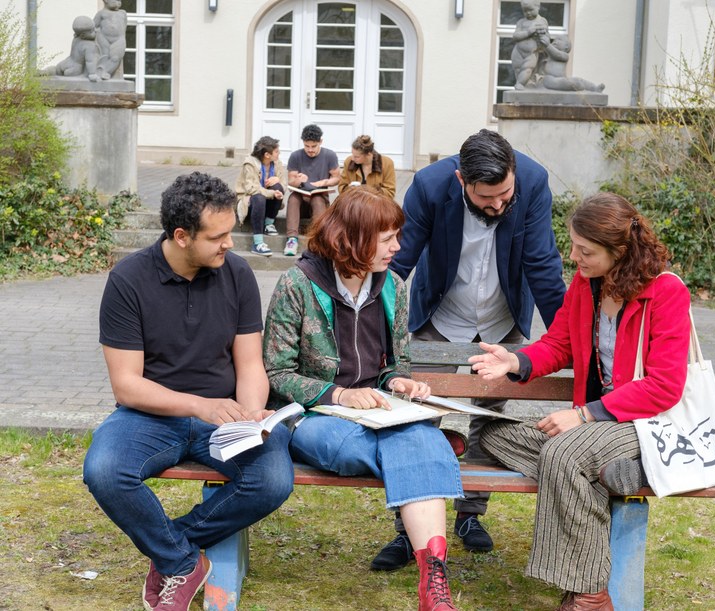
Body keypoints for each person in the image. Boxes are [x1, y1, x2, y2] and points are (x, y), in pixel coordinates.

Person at [469, 192, 691, 610]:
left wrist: (585, 414)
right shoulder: (587, 285)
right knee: (495, 437)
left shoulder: (666, 293)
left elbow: (664, 386)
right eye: (573, 246)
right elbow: (559, 344)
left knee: (565, 454)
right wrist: (514, 359)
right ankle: (609, 473)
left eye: (585, 250)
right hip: (594, 430)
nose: (574, 257)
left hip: (640, 423)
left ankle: (589, 594)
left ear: (620, 251)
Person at [83, 172, 294, 611]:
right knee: (105, 471)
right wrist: (202, 405)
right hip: (149, 416)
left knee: (272, 480)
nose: (229, 244)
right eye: (217, 237)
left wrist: (253, 412)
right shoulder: (128, 280)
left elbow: (251, 363)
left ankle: (172, 545)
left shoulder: (236, 273)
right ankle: (181, 560)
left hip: (228, 416)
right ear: (181, 236)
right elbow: (127, 385)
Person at [263, 187, 463, 611]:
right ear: (351, 238)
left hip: (380, 412)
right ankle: (435, 451)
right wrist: (338, 393)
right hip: (315, 417)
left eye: (397, 236)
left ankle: (433, 580)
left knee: (410, 438)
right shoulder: (297, 284)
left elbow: (395, 363)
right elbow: (277, 372)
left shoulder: (392, 286)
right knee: (414, 445)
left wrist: (400, 384)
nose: (398, 247)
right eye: (387, 238)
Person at [374, 129, 566, 570]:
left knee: (487, 416)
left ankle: (471, 514)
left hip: (502, 321)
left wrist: (569, 338)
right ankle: (409, 529)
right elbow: (399, 261)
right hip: (439, 314)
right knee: (416, 419)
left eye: (505, 195)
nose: (498, 206)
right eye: (486, 198)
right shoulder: (428, 186)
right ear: (461, 180)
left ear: (515, 174)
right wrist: (375, 323)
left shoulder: (534, 181)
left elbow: (541, 264)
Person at [284, 124, 341, 256]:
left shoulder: (330, 155)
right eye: (306, 146)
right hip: (301, 200)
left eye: (313, 146)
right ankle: (291, 240)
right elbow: (291, 181)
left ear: (320, 141)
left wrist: (324, 182)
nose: (310, 150)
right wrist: (298, 180)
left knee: (317, 199)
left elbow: (337, 178)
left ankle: (318, 239)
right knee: (293, 198)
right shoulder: (295, 156)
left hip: (319, 198)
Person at [234, 136, 286, 256]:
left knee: (278, 187)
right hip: (251, 201)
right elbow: (252, 189)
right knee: (259, 197)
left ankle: (268, 224)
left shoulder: (277, 163)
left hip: (267, 201)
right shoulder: (250, 164)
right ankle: (257, 243)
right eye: (277, 152)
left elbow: (284, 184)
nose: (279, 154)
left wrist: (277, 180)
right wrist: (272, 193)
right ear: (267, 155)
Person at [338, 134, 397, 199]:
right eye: (352, 154)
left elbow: (390, 192)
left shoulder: (387, 163)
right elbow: (341, 187)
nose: (352, 158)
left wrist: (367, 191)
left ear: (369, 154)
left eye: (357, 157)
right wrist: (349, 189)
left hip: (377, 205)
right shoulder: (349, 162)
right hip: (354, 204)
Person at [542, 35, 606, 93]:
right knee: (573, 82)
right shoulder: (549, 54)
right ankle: (577, 84)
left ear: (566, 47)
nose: (555, 41)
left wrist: (548, 46)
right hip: (550, 79)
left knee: (579, 80)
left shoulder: (564, 55)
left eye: (559, 39)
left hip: (560, 79)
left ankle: (595, 88)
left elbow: (557, 55)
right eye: (554, 40)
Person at [511, 0, 550, 89]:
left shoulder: (542, 21)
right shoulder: (521, 22)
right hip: (518, 51)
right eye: (525, 11)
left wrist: (543, 37)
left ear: (538, 7)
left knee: (528, 68)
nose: (528, 13)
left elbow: (547, 37)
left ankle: (520, 83)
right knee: (517, 68)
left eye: (531, 10)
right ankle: (520, 83)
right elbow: (515, 36)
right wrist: (528, 32)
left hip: (532, 52)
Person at [50, 16, 100, 81]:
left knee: (56, 69)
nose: (95, 31)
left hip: (67, 61)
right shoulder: (89, 45)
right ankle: (66, 74)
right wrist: (92, 74)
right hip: (76, 66)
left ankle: (45, 72)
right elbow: (90, 61)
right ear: (83, 35)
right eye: (92, 31)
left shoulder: (76, 39)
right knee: (67, 73)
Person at [93, 0, 127, 80]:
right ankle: (99, 72)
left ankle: (105, 71)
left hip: (119, 39)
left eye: (119, 0)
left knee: (115, 58)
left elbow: (124, 27)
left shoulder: (122, 13)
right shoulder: (101, 13)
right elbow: (93, 26)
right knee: (104, 56)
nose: (118, 2)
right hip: (104, 39)